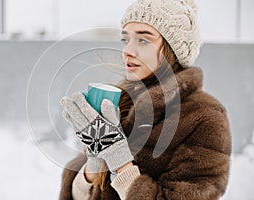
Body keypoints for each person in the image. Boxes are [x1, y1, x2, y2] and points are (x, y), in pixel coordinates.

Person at [59, 0, 231, 199]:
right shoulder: (120, 102)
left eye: (143, 40)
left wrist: (120, 161)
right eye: (125, 40)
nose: (128, 51)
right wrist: (95, 160)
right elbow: (85, 195)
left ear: (171, 50)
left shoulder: (205, 118)